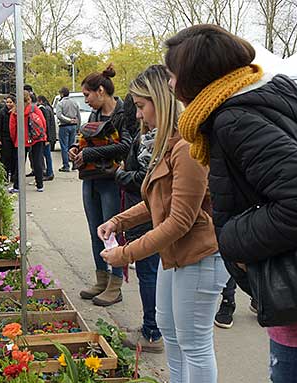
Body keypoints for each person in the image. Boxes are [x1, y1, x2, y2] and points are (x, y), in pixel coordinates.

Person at [166, 24, 297, 383]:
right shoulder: (262, 100)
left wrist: (232, 240)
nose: (169, 85)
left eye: (172, 76)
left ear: (193, 77)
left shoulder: (236, 119)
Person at [99, 65, 228, 383]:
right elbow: (159, 201)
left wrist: (125, 254)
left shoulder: (186, 147)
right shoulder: (167, 143)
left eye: (142, 106)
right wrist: (119, 220)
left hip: (199, 256)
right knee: (171, 336)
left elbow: (180, 220)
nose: (139, 115)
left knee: (194, 346)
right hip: (177, 256)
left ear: (161, 100)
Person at [70, 64, 132, 307]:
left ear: (101, 91)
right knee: (95, 229)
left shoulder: (124, 113)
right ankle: (101, 279)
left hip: (112, 181)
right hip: (91, 179)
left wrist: (90, 154)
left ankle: (115, 284)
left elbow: (126, 146)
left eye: (87, 95)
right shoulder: (95, 115)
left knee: (112, 232)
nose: (86, 100)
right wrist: (79, 150)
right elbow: (87, 140)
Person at [111, 93, 162, 353]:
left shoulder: (166, 143)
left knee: (150, 273)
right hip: (143, 214)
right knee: (149, 273)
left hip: (152, 223)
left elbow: (151, 189)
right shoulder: (148, 137)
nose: (139, 115)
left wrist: (120, 174)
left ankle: (153, 331)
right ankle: (150, 325)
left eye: (141, 107)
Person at [9, 90, 47, 193]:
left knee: (20, 163)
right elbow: (43, 122)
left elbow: (12, 128)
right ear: (29, 98)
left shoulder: (15, 111)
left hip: (21, 139)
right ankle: (40, 185)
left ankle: (17, 186)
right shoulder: (34, 108)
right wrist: (43, 136)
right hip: (36, 138)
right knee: (37, 161)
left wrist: (14, 139)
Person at [55, 87, 81, 172]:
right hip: (73, 126)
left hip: (64, 126)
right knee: (72, 146)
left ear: (62, 94)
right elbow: (78, 115)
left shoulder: (60, 103)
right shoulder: (74, 103)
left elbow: (59, 115)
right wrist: (78, 126)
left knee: (64, 146)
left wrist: (68, 120)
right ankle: (74, 164)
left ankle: (66, 166)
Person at [0, 95, 16, 180]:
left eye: (10, 102)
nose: (9, 104)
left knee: (14, 157)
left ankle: (14, 176)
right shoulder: (2, 112)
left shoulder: (16, 111)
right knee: (5, 157)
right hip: (5, 137)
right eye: (7, 102)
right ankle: (4, 176)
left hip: (14, 137)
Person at [38, 95, 56, 181]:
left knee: (47, 155)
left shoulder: (43, 109)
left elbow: (46, 125)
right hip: (49, 136)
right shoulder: (49, 108)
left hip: (46, 137)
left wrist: (47, 138)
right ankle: (49, 172)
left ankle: (49, 172)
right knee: (47, 155)